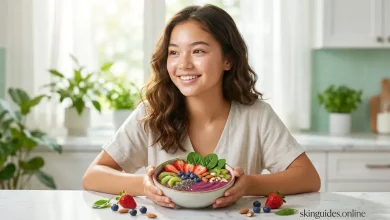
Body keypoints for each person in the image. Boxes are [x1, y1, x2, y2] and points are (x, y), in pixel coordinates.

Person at [82, 4, 320, 209]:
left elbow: (308, 177)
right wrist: (145, 185)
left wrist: (249, 184)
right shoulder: (151, 113)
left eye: (198, 51)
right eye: (174, 52)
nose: (183, 63)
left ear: (228, 60)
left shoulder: (256, 116)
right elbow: (93, 176)